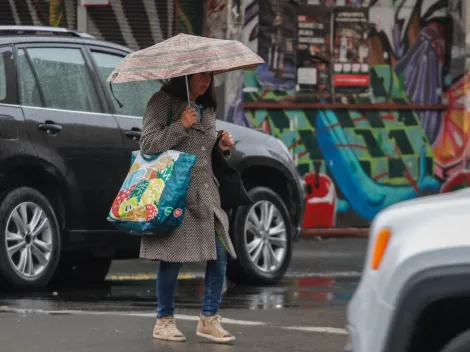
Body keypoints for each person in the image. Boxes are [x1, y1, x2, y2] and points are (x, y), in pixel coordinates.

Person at [139, 72, 237, 344]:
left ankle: (209, 318)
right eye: (200, 75)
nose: (206, 80)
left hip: (206, 193)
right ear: (186, 75)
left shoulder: (206, 108)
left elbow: (203, 151)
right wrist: (180, 125)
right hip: (175, 193)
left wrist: (222, 147)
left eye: (210, 75)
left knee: (219, 255)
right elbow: (147, 145)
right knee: (172, 257)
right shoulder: (163, 102)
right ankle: (164, 320)